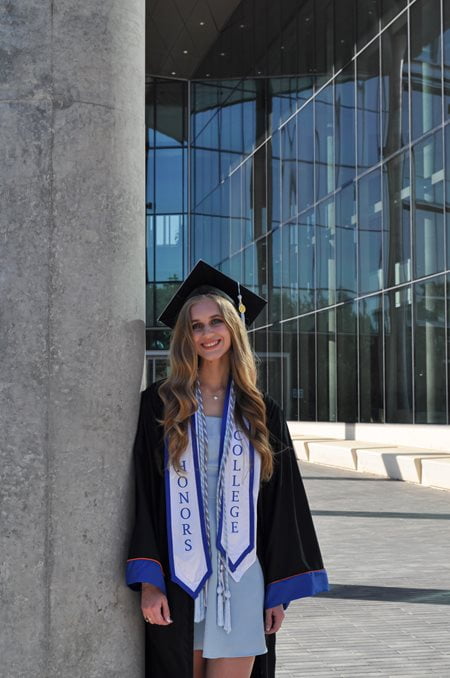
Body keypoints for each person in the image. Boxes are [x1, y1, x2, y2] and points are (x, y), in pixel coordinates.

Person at [126, 260, 329, 678]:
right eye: (196, 326)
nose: (206, 334)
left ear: (234, 327)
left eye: (216, 321)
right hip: (182, 578)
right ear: (185, 336)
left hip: (241, 578)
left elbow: (279, 506)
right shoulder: (160, 406)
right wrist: (150, 581)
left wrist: (277, 593)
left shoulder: (260, 412)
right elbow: (144, 497)